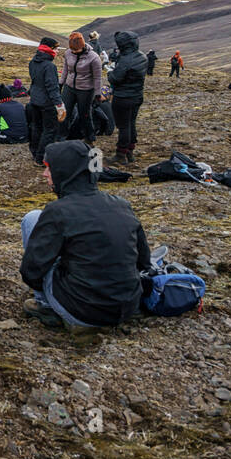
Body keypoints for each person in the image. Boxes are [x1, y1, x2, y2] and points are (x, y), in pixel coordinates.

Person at [20, 140, 151, 329]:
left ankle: (46, 306)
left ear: (66, 170)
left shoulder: (58, 211)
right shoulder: (121, 204)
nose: (44, 174)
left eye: (49, 167)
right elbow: (144, 262)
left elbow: (31, 272)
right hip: (128, 306)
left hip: (83, 312)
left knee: (32, 218)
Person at [107, 30, 147, 165]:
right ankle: (130, 151)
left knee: (123, 126)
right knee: (131, 123)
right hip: (137, 96)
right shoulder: (142, 57)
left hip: (123, 97)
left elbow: (115, 78)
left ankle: (120, 154)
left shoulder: (125, 61)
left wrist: (110, 72)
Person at [26, 37, 66, 165]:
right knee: (49, 130)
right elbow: (52, 87)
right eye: (56, 48)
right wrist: (59, 105)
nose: (58, 51)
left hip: (35, 100)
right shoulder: (50, 66)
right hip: (47, 103)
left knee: (37, 127)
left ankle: (35, 152)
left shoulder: (33, 62)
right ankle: (41, 158)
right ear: (50, 49)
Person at [60, 31, 103, 142]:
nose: (74, 52)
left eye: (76, 50)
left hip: (86, 90)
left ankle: (89, 138)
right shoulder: (68, 53)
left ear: (83, 46)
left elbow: (97, 77)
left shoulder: (94, 58)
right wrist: (61, 83)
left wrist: (98, 94)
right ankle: (61, 138)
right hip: (69, 87)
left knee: (84, 114)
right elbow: (66, 69)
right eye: (72, 50)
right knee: (64, 113)